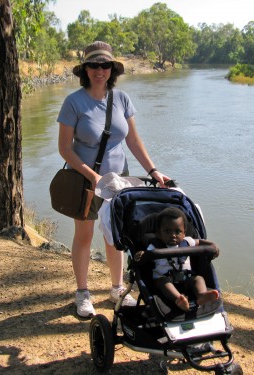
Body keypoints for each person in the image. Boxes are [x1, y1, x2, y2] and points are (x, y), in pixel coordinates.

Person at [57, 41, 170, 318]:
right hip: (86, 179)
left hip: (119, 181)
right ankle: (82, 293)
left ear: (112, 69)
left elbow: (133, 140)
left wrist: (153, 170)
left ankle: (117, 289)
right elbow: (65, 148)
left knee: (115, 236)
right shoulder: (74, 102)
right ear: (85, 69)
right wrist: (94, 177)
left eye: (105, 65)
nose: (100, 70)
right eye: (94, 65)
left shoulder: (121, 99)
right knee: (84, 236)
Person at [143, 207, 220, 312]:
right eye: (167, 231)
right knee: (163, 282)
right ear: (159, 233)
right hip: (164, 280)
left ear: (184, 233)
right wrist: (141, 254)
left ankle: (201, 295)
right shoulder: (155, 246)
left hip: (186, 278)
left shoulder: (187, 242)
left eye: (178, 231)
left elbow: (200, 242)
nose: (173, 235)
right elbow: (145, 254)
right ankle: (179, 299)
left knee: (198, 279)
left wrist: (212, 245)